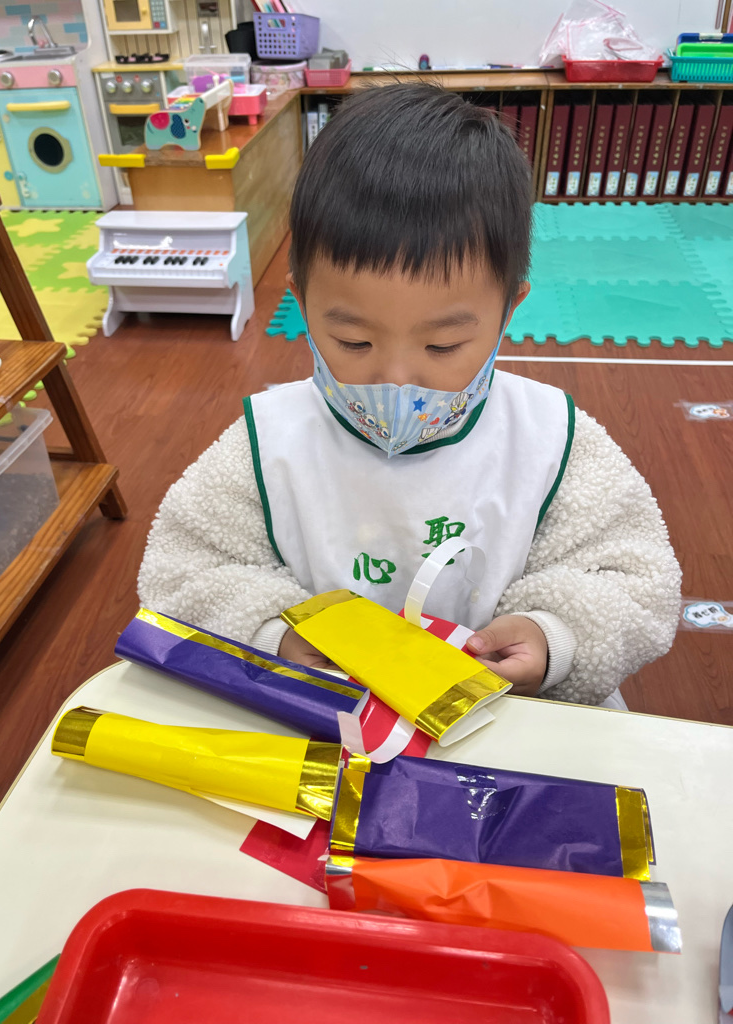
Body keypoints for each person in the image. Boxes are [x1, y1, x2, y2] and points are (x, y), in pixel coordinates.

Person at [138, 84, 681, 705]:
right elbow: (183, 574)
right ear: (302, 302)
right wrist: (272, 633)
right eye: (353, 341)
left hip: (511, 725)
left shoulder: (552, 437)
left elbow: (635, 579)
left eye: (443, 346)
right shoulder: (266, 443)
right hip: (328, 723)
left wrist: (556, 635)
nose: (396, 379)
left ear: (508, 311)